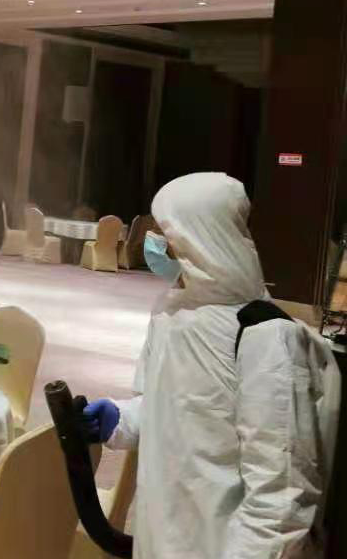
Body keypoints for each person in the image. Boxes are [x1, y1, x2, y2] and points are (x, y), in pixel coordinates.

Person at [82, 172, 340, 559]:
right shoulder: (170, 315)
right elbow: (170, 408)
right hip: (162, 537)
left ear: (199, 238)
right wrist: (121, 419)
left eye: (166, 232)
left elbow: (280, 494)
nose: (156, 243)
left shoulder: (265, 336)